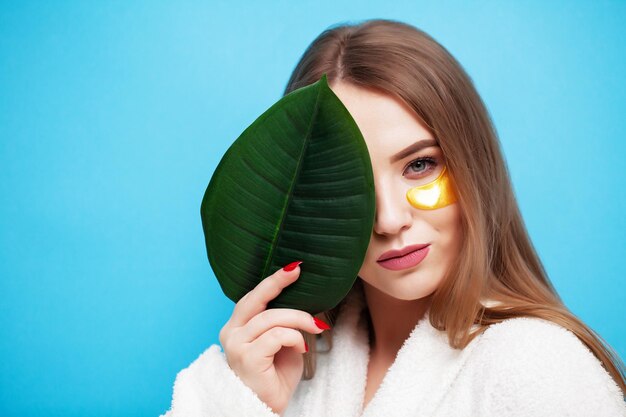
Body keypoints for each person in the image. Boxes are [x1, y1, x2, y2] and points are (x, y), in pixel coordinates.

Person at [160, 18, 626, 417]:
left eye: (419, 165)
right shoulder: (289, 374)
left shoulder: (536, 367)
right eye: (353, 183)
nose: (387, 219)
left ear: (473, 164)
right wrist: (245, 402)